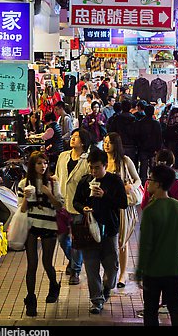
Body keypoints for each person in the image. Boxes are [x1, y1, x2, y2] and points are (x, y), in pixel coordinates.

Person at [135, 164, 178, 326]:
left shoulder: (150, 211)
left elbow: (146, 245)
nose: (148, 183)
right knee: (176, 306)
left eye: (150, 180)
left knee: (151, 309)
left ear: (159, 183)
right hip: (174, 270)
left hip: (153, 272)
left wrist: (140, 270)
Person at [73, 148, 128, 314]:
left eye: (97, 167)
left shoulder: (114, 181)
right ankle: (96, 300)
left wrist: (105, 195)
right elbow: (76, 201)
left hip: (109, 231)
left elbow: (123, 203)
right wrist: (84, 208)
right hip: (88, 232)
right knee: (91, 268)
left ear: (105, 165)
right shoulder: (85, 181)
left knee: (112, 267)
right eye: (91, 167)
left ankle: (106, 288)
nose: (93, 171)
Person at [17, 151, 65, 316]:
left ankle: (54, 285)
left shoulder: (53, 182)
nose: (43, 166)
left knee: (47, 263)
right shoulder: (24, 183)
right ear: (32, 165)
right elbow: (21, 209)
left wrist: (48, 193)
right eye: (39, 163)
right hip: (31, 226)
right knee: (32, 265)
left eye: (45, 163)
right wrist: (25, 197)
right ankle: (31, 300)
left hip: (49, 225)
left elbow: (59, 206)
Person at [103, 132, 141, 288]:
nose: (106, 145)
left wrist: (131, 186)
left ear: (116, 144)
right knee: (108, 240)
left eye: (109, 142)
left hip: (122, 206)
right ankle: (110, 271)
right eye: (105, 141)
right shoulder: (102, 161)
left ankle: (123, 274)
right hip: (106, 206)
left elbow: (138, 179)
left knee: (122, 241)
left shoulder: (125, 161)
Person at [54, 128, 91, 286]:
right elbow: (57, 176)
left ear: (83, 142)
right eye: (72, 136)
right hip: (63, 204)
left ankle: (75, 271)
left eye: (76, 137)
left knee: (77, 240)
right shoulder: (63, 156)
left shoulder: (87, 160)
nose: (72, 139)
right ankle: (73, 261)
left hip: (79, 205)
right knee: (62, 238)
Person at [134, 104, 163, 184]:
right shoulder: (156, 123)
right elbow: (159, 137)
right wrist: (158, 149)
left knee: (143, 167)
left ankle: (143, 184)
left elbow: (137, 135)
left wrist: (139, 145)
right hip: (153, 149)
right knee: (153, 167)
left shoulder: (140, 123)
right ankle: (154, 182)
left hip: (143, 148)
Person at [106, 99, 138, 167]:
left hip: (118, 145)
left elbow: (111, 131)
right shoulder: (134, 119)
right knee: (130, 166)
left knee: (118, 166)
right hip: (131, 146)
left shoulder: (117, 119)